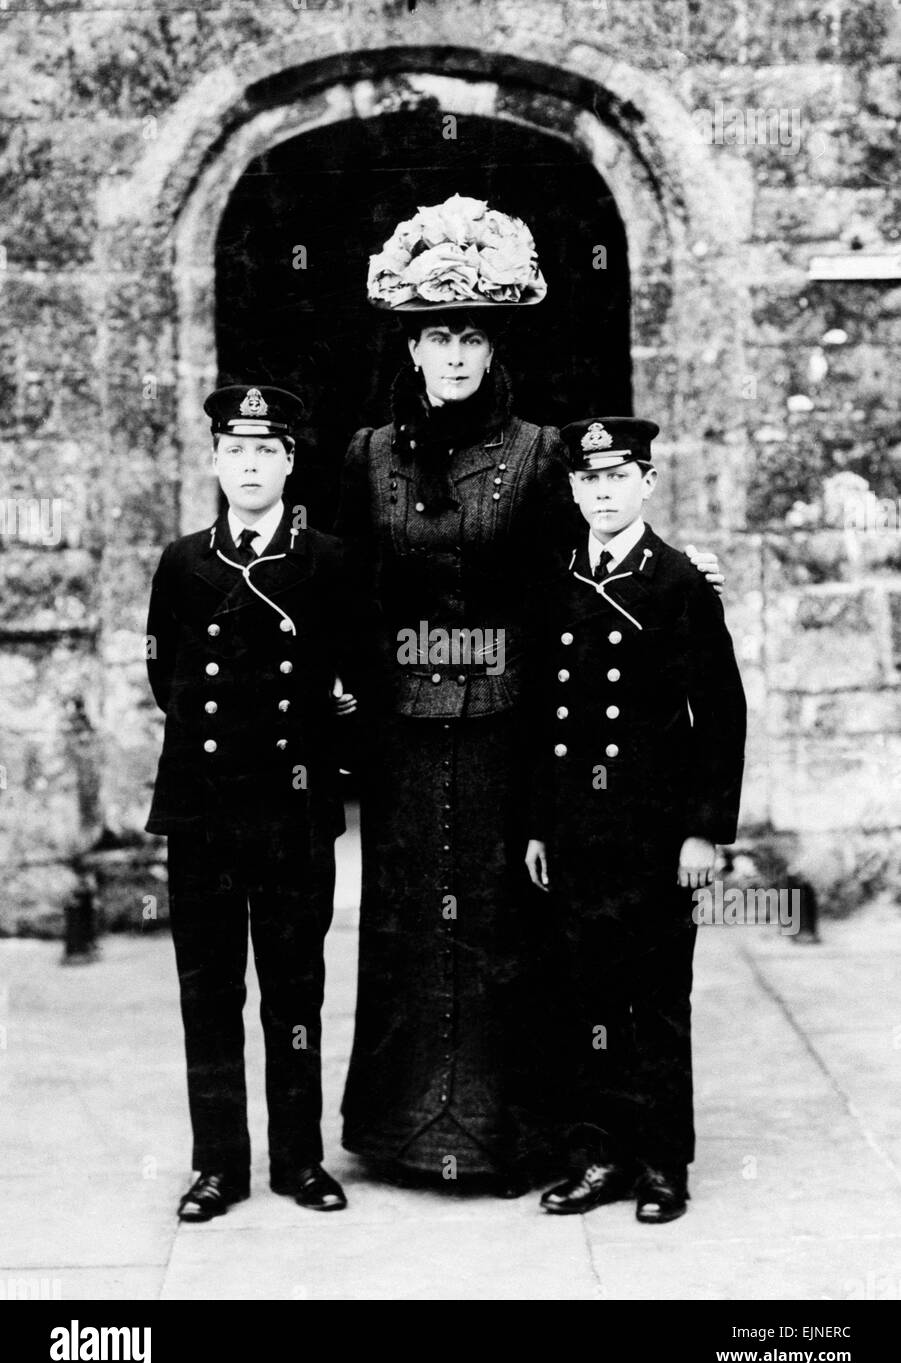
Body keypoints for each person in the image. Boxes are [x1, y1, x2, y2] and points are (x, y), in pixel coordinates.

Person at [335, 196, 726, 1193]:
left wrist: (680, 581)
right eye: (435, 336)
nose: (453, 354)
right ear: (412, 349)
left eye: (469, 334)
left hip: (513, 729)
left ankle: (531, 1129)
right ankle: (402, 1126)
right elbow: (348, 591)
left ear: (491, 346)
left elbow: (584, 579)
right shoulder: (368, 455)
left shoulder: (543, 452)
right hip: (405, 738)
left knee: (513, 930)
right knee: (409, 922)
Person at [145, 384, 361, 1221]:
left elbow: (350, 681)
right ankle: (216, 1167)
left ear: (288, 463)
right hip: (201, 810)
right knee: (207, 994)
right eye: (235, 451)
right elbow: (166, 675)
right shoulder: (182, 561)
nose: (249, 466)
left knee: (293, 991)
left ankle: (299, 1162)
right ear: (214, 462)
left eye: (265, 452)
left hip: (291, 810)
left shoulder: (327, 560)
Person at [525, 416, 747, 1221]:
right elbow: (545, 725)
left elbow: (718, 712)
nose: (603, 491)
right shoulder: (558, 581)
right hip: (578, 836)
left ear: (647, 482)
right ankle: (599, 1155)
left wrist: (703, 830)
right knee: (586, 1000)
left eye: (618, 477)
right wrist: (541, 827)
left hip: (654, 837)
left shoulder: (678, 581)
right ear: (574, 490)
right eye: (589, 480)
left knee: (654, 1003)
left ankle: (661, 1165)